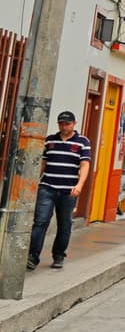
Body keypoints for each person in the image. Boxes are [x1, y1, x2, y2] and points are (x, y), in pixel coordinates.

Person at [28, 111, 92, 270]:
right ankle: (32, 257)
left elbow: (85, 165)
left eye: (67, 124)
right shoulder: (50, 140)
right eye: (61, 124)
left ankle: (58, 256)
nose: (64, 127)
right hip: (47, 188)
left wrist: (79, 185)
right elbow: (43, 164)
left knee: (64, 224)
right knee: (40, 222)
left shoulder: (83, 142)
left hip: (68, 191)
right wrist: (35, 181)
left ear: (74, 123)